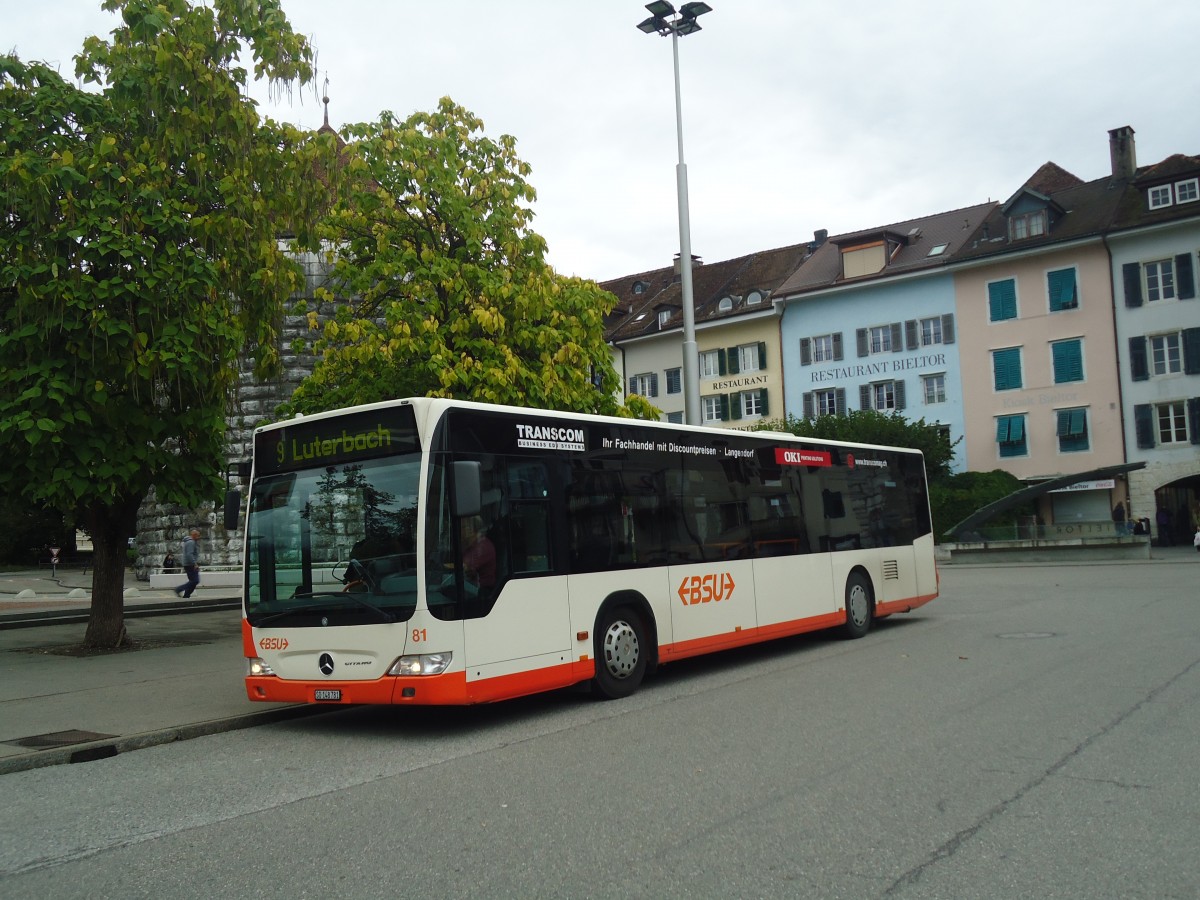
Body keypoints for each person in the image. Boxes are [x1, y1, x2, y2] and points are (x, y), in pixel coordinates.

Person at [461, 516, 496, 594]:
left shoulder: (483, 546)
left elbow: (465, 568)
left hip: (483, 591)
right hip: (472, 585)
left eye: (463, 527)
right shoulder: (473, 544)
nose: (460, 530)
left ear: (470, 529)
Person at [174, 529, 201, 598]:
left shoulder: (190, 542)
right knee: (195, 581)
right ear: (194, 535)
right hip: (190, 564)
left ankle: (187, 595)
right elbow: (189, 554)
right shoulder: (191, 542)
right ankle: (179, 589)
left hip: (188, 564)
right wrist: (195, 563)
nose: (199, 537)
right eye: (198, 536)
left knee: (193, 581)